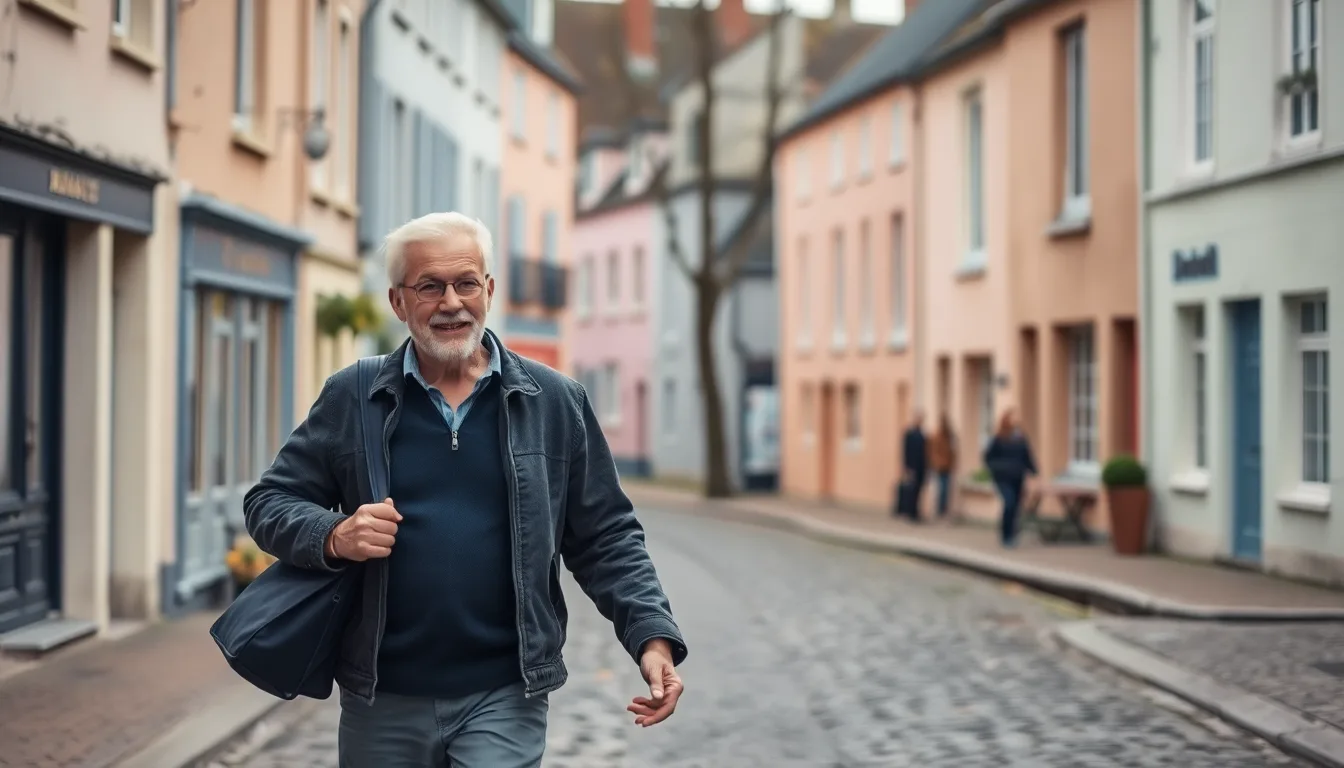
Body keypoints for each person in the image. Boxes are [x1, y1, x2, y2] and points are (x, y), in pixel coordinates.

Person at [243, 212, 687, 767]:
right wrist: (334, 533)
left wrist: (651, 636)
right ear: (398, 302)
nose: (451, 302)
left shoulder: (553, 402)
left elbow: (607, 537)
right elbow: (268, 503)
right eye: (429, 286)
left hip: (504, 693)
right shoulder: (353, 397)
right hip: (381, 695)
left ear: (490, 291)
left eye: (466, 283)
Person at [982, 407, 1038, 548]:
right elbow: (988, 457)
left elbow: (1027, 456)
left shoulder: (1020, 437)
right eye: (1013, 417)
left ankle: (1012, 534)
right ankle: (1005, 534)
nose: (1016, 420)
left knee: (1016, 506)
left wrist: (1033, 470)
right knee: (1009, 502)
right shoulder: (999, 438)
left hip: (1017, 476)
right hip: (1003, 477)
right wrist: (998, 468)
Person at [897, 409, 927, 522]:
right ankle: (909, 512)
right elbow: (906, 451)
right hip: (912, 466)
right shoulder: (909, 434)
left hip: (921, 467)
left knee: (918, 490)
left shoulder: (922, 434)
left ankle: (915, 512)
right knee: (911, 489)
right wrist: (906, 467)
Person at [928, 414, 957, 519]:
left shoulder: (950, 436)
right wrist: (936, 463)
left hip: (947, 467)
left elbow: (953, 451)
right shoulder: (937, 436)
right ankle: (939, 510)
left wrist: (953, 463)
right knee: (941, 489)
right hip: (940, 467)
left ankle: (943, 510)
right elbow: (933, 451)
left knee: (946, 489)